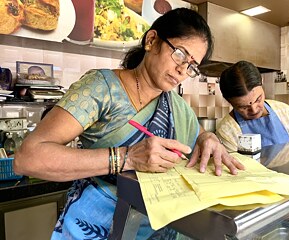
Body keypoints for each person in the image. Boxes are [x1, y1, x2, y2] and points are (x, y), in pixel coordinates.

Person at [14, 8, 244, 240]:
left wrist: (207, 137)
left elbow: (195, 131)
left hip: (155, 228)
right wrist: (128, 158)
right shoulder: (102, 88)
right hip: (96, 228)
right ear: (152, 41)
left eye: (192, 66)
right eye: (180, 54)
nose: (182, 70)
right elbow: (28, 158)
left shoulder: (176, 105)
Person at [216, 60, 289, 152]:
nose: (254, 110)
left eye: (258, 99)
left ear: (262, 81)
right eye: (243, 107)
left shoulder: (284, 111)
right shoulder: (226, 131)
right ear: (229, 101)